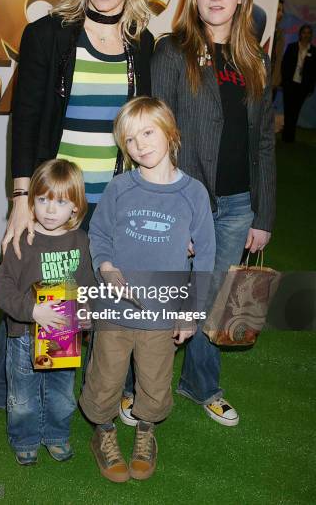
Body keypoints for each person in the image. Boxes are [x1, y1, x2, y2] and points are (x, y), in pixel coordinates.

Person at [0, 0, 154, 421]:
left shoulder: (142, 44)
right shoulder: (47, 34)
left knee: (97, 305)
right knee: (45, 300)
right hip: (59, 205)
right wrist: (21, 201)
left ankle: (80, 403)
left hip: (114, 204)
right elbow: (23, 122)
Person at [149, 0, 276, 427]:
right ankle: (134, 384)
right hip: (185, 200)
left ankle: (201, 384)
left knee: (215, 297)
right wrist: (172, 210)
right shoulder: (172, 51)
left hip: (239, 205)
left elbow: (263, 142)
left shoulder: (255, 60)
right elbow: (156, 135)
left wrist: (263, 216)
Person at [80, 96, 215, 482]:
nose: (140, 145)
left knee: (155, 382)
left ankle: (145, 432)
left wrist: (191, 311)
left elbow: (204, 255)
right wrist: (105, 264)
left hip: (162, 311)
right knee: (105, 376)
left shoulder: (194, 194)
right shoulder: (120, 187)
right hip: (115, 308)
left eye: (147, 132)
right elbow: (101, 233)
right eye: (130, 140)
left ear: (170, 131)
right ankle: (103, 433)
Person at [0, 159, 95, 465]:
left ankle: (56, 434)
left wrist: (87, 312)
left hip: (64, 333)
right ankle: (24, 437)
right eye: (43, 200)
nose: (51, 210)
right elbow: (2, 288)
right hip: (24, 333)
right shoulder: (22, 239)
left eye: (61, 202)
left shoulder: (81, 242)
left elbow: (89, 285)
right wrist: (32, 310)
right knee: (23, 395)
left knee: (61, 392)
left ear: (75, 208)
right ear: (31, 201)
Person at [281, 24, 316, 142]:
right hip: (290, 83)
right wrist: (284, 81)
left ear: (311, 35)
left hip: (303, 86)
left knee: (296, 110)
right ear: (300, 34)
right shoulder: (292, 47)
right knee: (288, 109)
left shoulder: (313, 51)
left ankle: (291, 135)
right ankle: (286, 134)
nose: (306, 35)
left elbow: (314, 72)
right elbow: (284, 65)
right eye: (304, 32)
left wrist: (311, 87)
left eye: (308, 33)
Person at [271, 0, 285, 102]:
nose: (281, 14)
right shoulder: (260, 28)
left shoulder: (280, 33)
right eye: (279, 10)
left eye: (282, 11)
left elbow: (278, 59)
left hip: (271, 83)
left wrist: (276, 80)